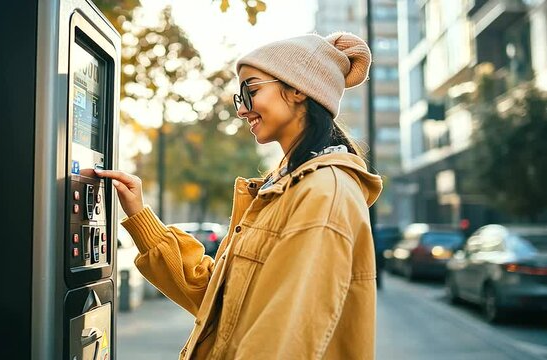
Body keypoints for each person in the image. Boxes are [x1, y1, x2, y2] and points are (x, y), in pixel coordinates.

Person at [95, 31, 383, 359]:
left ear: (299, 89)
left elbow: (283, 341)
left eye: (252, 90)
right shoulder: (285, 189)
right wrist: (141, 217)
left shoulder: (324, 192)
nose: (243, 110)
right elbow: (218, 299)